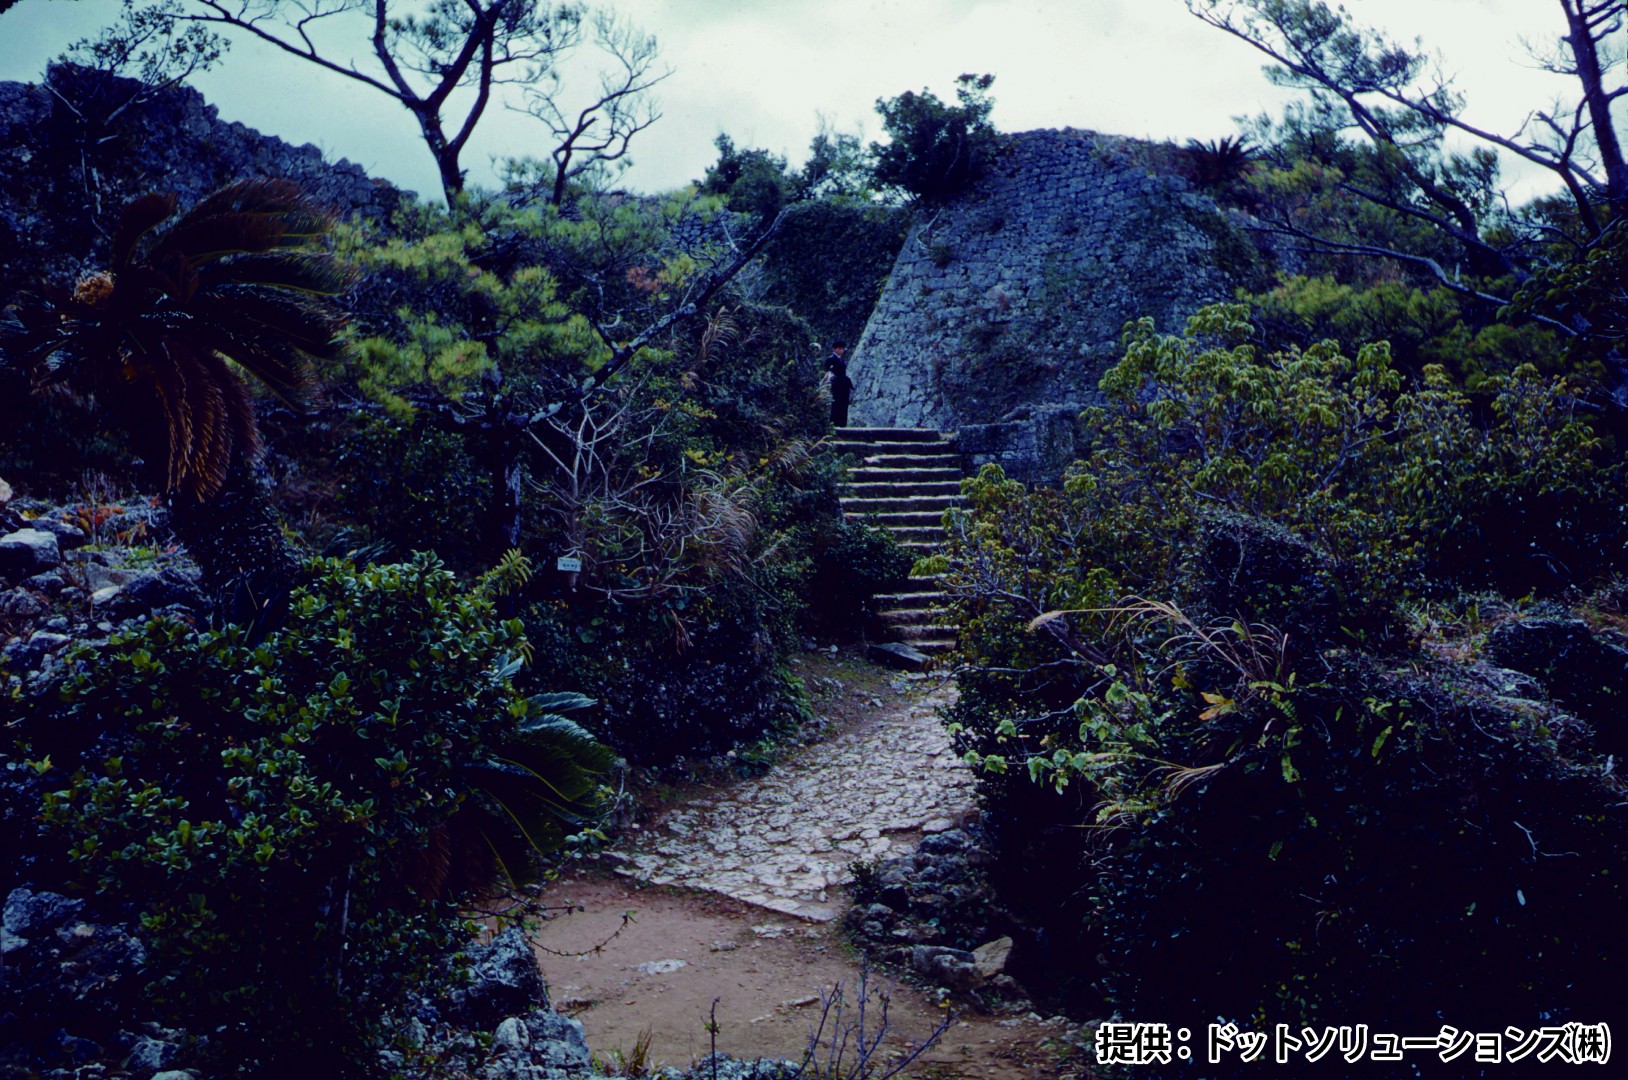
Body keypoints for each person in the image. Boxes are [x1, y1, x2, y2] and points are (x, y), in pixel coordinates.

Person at [824, 341, 853, 427]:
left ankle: (842, 423)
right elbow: (828, 373)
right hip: (836, 385)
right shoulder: (831, 359)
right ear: (834, 349)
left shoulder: (841, 359)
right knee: (836, 404)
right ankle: (835, 423)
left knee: (843, 404)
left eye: (842, 349)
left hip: (843, 385)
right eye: (839, 349)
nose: (841, 351)